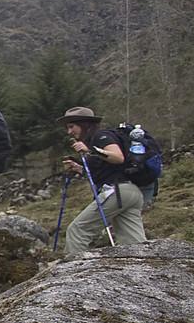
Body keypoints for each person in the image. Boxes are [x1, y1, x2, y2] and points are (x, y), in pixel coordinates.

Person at [61, 105, 147, 255]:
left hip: (117, 192)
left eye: (71, 126)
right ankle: (146, 272)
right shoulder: (97, 139)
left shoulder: (101, 136)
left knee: (77, 230)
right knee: (134, 244)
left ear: (84, 124)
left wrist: (90, 151)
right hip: (131, 193)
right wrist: (78, 168)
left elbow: (118, 157)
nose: (69, 132)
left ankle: (74, 273)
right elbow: (104, 171)